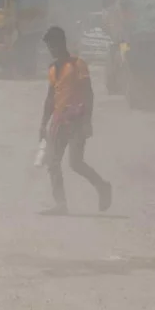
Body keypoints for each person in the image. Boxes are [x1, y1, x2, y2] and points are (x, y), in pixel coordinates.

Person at [39, 26, 112, 215]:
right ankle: (61, 204)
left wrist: (88, 120)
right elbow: (50, 98)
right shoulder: (53, 69)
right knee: (53, 162)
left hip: (77, 121)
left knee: (75, 163)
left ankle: (102, 186)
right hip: (59, 121)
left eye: (54, 46)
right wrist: (42, 124)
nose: (52, 50)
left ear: (62, 43)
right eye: (49, 47)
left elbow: (89, 93)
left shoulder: (78, 65)